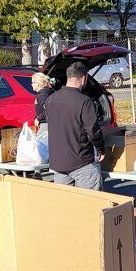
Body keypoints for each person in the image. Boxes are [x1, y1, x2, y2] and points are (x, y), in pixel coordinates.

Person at [45, 62, 105, 190]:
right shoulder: (84, 101)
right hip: (81, 161)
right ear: (83, 78)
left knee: (66, 205)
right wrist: (101, 149)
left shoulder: (51, 99)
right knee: (91, 202)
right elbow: (93, 131)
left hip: (58, 163)